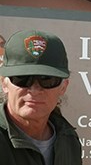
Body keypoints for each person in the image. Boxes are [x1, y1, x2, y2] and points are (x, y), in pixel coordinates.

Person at [0, 30, 82, 165]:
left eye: (47, 80)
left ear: (63, 87)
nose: (35, 90)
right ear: (4, 83)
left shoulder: (68, 139)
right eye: (22, 79)